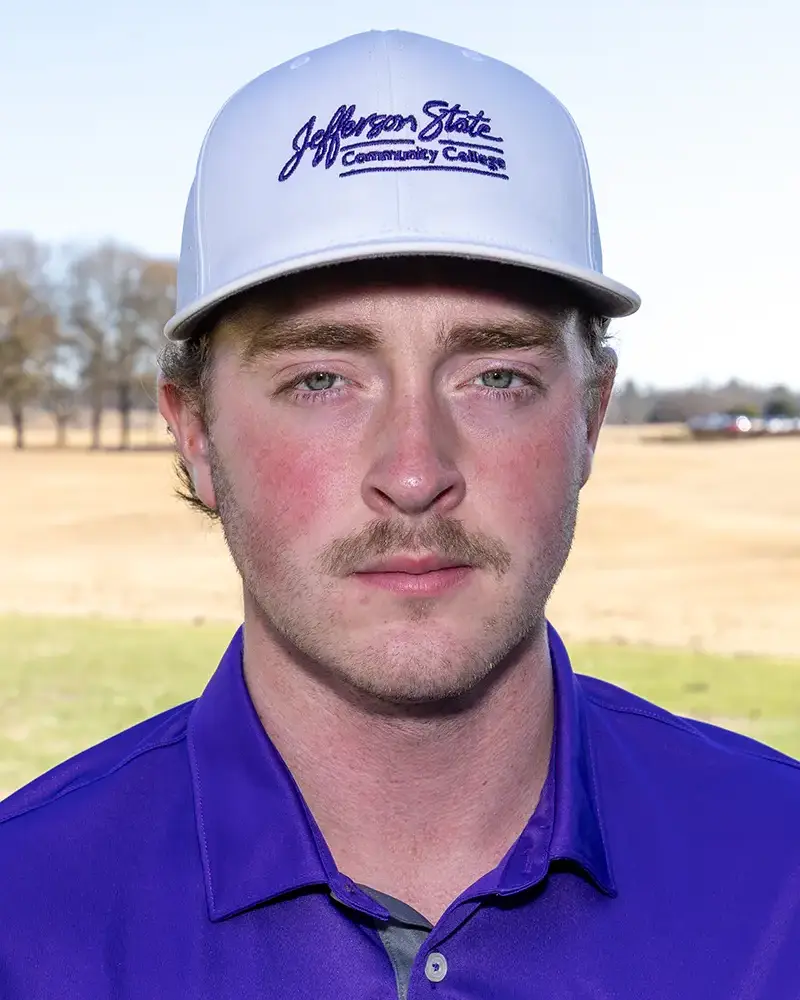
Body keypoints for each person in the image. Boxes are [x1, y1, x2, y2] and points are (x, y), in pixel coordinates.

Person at [1, 29, 798, 999]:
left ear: (589, 415)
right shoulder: (22, 917)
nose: (414, 472)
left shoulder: (778, 879)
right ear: (197, 435)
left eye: (494, 374)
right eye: (323, 379)